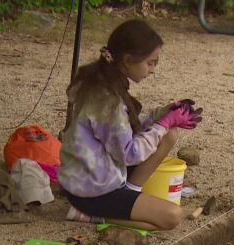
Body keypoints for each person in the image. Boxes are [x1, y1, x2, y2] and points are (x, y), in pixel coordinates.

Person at [58, 19, 202, 231]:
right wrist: (163, 123)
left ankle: (130, 192)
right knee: (172, 217)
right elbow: (129, 153)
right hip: (91, 191)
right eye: (150, 63)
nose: (152, 70)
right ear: (127, 60)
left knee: (169, 134)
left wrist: (163, 114)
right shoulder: (108, 100)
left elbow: (124, 134)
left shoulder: (106, 81)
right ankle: (89, 215)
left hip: (100, 174)